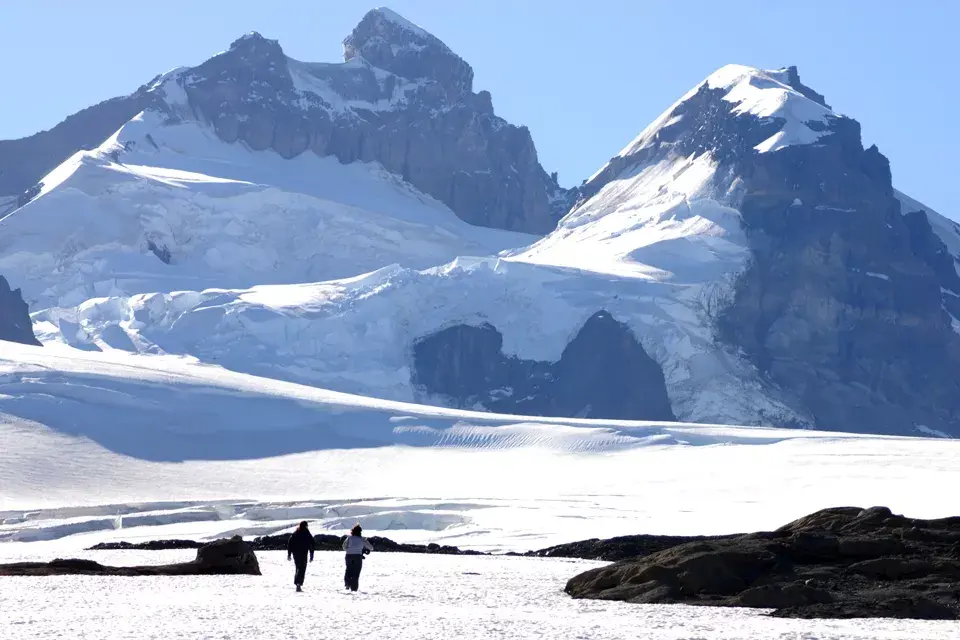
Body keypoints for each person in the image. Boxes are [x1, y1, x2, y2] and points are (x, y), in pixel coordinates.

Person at [342, 523, 373, 592]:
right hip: (357, 556)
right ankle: (354, 588)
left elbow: (344, 546)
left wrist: (349, 549)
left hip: (348, 555)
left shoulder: (349, 538)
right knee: (356, 572)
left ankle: (347, 583)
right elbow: (371, 548)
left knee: (348, 570)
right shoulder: (362, 539)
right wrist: (363, 548)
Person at [286, 521, 315, 592]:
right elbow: (312, 544)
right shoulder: (307, 533)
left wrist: (289, 554)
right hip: (303, 553)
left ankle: (297, 583)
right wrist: (311, 555)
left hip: (295, 554)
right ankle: (298, 583)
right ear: (305, 526)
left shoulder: (296, 533)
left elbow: (290, 543)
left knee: (298, 568)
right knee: (302, 568)